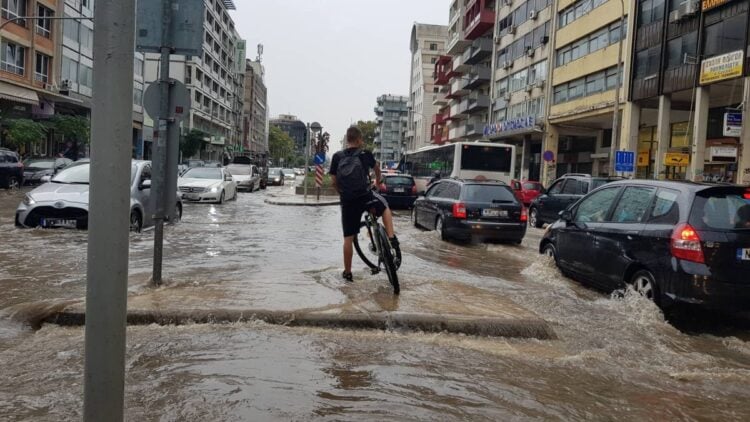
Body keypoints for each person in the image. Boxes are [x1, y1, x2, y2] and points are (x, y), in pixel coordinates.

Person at [330, 126, 398, 282]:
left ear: (347, 139)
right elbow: (377, 169)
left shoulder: (337, 157)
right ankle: (391, 237)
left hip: (347, 201)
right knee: (385, 207)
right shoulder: (364, 154)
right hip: (365, 196)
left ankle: (348, 272)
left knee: (348, 238)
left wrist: (342, 193)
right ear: (359, 139)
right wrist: (378, 182)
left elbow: (334, 181)